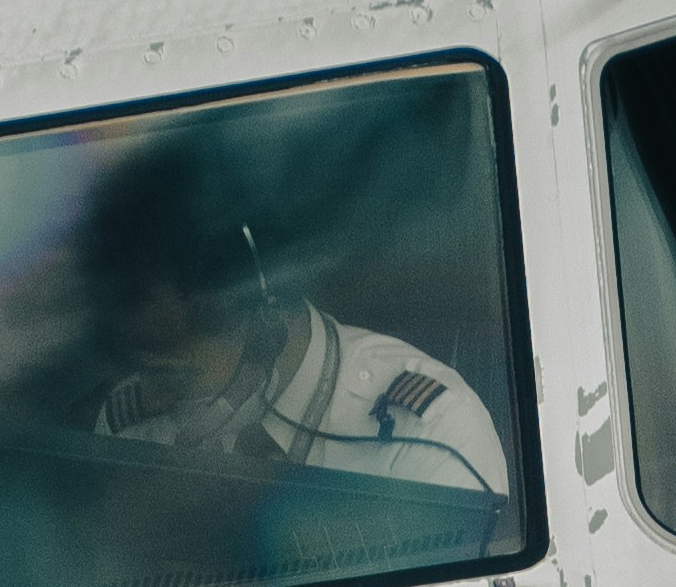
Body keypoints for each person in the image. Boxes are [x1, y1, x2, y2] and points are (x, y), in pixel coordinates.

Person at [79, 118, 514, 505]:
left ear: (259, 313)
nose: (156, 395)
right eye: (147, 366)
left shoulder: (428, 435)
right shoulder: (129, 423)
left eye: (178, 368)